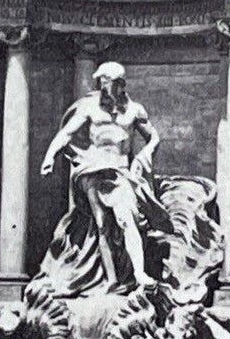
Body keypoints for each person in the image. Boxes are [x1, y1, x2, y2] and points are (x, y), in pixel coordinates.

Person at [39, 61, 171, 296]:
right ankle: (111, 280)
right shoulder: (90, 108)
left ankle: (139, 274)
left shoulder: (134, 110)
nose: (102, 86)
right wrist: (50, 155)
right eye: (100, 81)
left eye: (106, 82)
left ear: (119, 84)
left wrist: (145, 153)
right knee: (102, 227)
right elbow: (67, 133)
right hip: (92, 170)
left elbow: (154, 137)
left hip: (120, 172)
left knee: (127, 219)